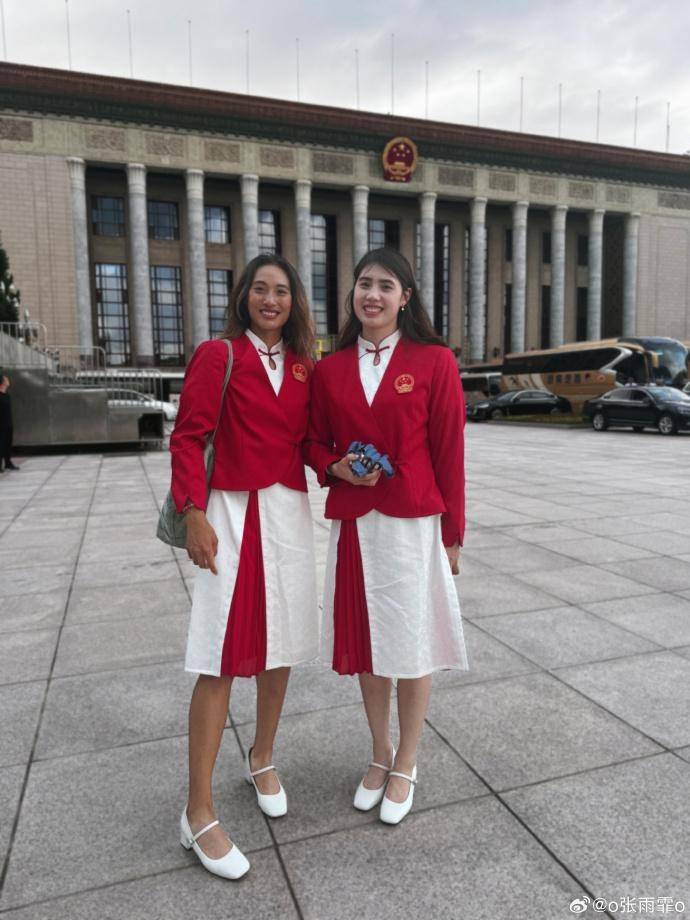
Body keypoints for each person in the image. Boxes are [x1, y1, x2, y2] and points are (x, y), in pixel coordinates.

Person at [304, 247, 468, 826]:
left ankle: (408, 762)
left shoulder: (433, 361)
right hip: (355, 523)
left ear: (406, 297)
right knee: (368, 643)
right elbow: (313, 443)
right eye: (364, 284)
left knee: (412, 639)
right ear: (353, 294)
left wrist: (453, 534)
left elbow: (449, 452)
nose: (372, 295)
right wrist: (336, 467)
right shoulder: (330, 368)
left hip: (412, 521)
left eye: (386, 285)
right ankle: (378, 754)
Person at [169, 254, 319, 880]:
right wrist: (192, 513)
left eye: (281, 291)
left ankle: (261, 756)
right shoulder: (218, 355)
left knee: (279, 646)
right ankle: (197, 809)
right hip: (229, 515)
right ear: (243, 297)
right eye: (260, 289)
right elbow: (186, 436)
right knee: (220, 655)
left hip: (286, 514)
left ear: (294, 302)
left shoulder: (305, 366)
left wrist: (341, 465)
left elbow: (307, 442)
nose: (270, 299)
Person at [0, 374, 18, 472]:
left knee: (8, 444)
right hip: (1, 425)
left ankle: (8, 463)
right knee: (1, 445)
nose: (8, 381)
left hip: (8, 424)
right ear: (2, 382)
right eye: (6, 379)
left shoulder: (7, 395)